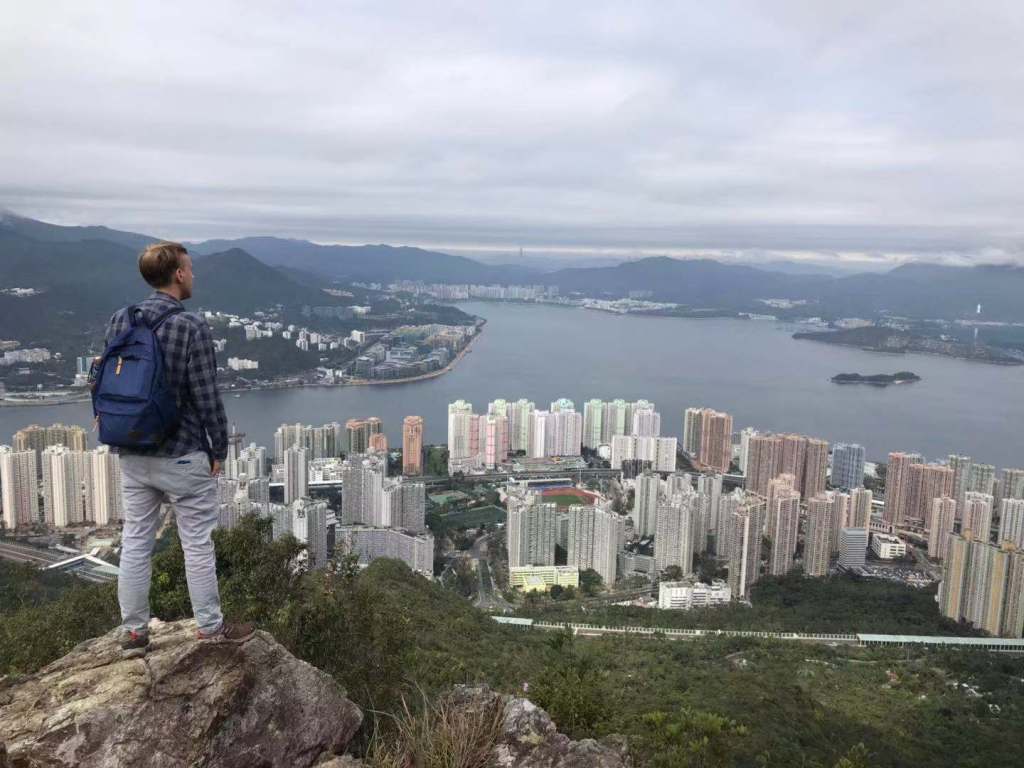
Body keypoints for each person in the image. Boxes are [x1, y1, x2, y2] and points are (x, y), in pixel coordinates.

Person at [103, 241, 253, 657]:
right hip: (183, 452)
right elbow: (206, 395)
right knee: (197, 543)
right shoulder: (190, 326)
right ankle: (209, 628)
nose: (194, 276)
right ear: (180, 275)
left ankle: (134, 633)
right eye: (191, 269)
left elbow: (106, 380)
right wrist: (218, 447)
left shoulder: (121, 319)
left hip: (132, 450)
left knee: (135, 541)